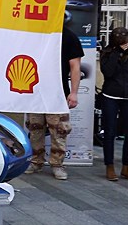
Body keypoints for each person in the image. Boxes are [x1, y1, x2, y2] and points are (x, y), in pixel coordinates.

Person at [25, 26, 84, 181]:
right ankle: (36, 161)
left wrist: (74, 92)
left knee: (59, 131)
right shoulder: (35, 34)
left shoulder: (69, 36)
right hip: (35, 92)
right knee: (35, 129)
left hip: (58, 93)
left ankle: (57, 164)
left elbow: (75, 66)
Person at [100, 26, 128, 182]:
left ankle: (127, 167)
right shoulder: (106, 53)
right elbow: (108, 72)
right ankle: (110, 166)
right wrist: (117, 53)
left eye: (124, 37)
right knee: (110, 132)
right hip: (110, 95)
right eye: (118, 38)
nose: (122, 41)